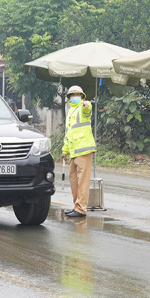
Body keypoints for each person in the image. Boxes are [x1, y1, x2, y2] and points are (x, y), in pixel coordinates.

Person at [61, 85, 96, 218]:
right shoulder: (70, 112)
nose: (75, 97)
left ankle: (81, 209)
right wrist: (64, 151)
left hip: (84, 151)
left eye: (77, 95)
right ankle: (77, 206)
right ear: (69, 97)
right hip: (73, 152)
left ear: (82, 96)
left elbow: (88, 110)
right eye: (72, 95)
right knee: (74, 181)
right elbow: (68, 133)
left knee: (83, 182)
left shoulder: (83, 107)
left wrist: (87, 105)